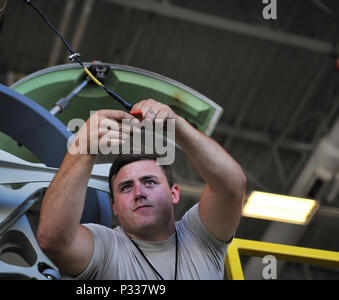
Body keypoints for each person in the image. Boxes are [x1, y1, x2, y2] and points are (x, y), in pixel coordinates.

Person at [36, 99, 246, 280]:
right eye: (126, 187)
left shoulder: (198, 237)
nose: (139, 193)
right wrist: (82, 149)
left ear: (174, 193)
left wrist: (177, 125)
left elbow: (231, 186)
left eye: (150, 182)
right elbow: (53, 241)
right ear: (114, 206)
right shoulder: (107, 247)